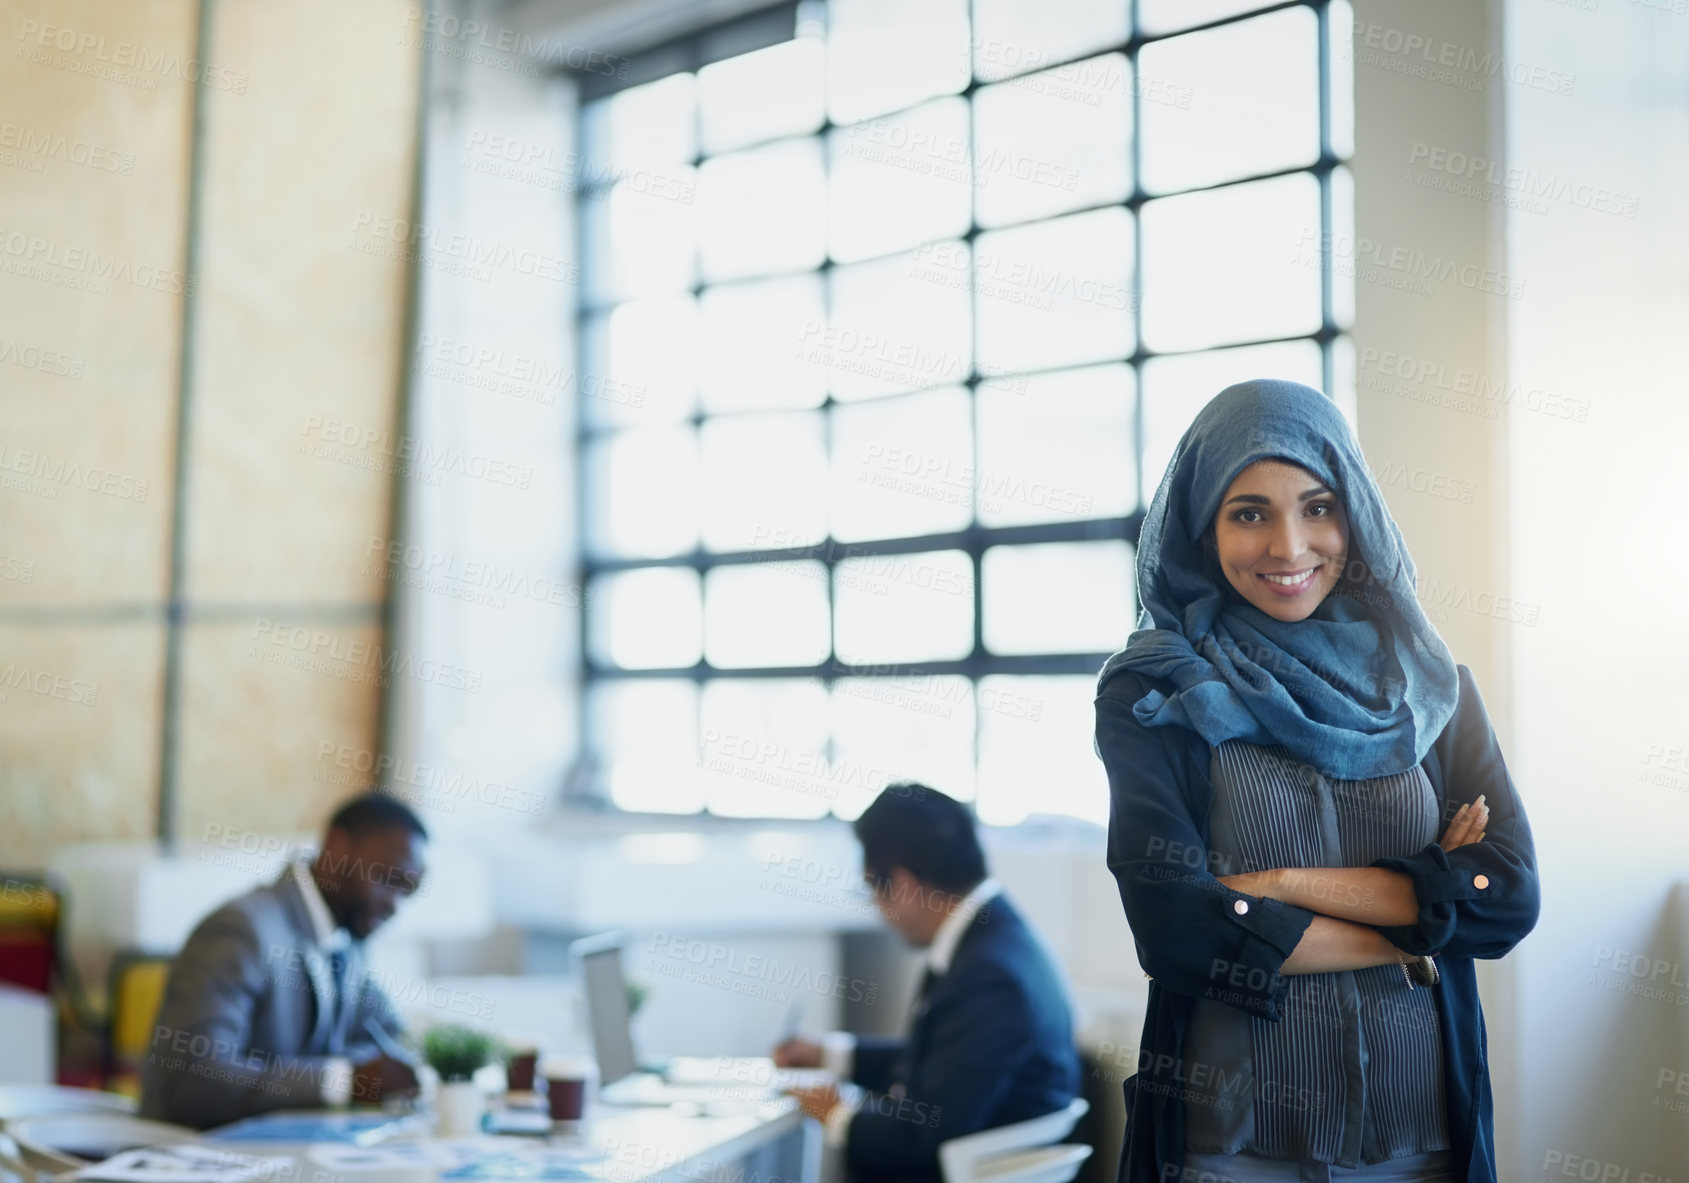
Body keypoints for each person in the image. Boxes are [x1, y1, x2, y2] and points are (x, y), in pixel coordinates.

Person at [1093, 379, 1539, 1182]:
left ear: (1355, 513)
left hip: (1422, 1147)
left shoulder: (1431, 689)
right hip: (1227, 1154)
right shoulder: (1151, 693)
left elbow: (1506, 899)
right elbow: (1177, 931)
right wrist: (1425, 923)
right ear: (1202, 523)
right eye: (1249, 512)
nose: (1290, 547)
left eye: (1317, 505)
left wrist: (1273, 883)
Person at [775, 783, 1080, 1183]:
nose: (877, 911)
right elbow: (945, 1062)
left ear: (902, 885)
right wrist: (832, 1055)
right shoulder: (996, 938)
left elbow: (920, 1136)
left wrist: (837, 1113)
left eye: (871, 889)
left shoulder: (989, 975)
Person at [140, 792, 429, 1129]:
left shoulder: (347, 936)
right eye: (387, 880)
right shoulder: (242, 930)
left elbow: (391, 1036)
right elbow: (193, 1081)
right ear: (337, 848)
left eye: (406, 891)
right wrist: (343, 1081)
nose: (395, 905)